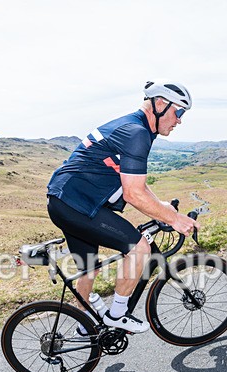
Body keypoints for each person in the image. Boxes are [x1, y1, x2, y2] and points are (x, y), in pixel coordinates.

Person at [46, 81, 198, 334]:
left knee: (88, 270)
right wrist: (174, 220)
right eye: (179, 112)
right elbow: (133, 193)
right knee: (139, 248)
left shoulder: (135, 127)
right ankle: (117, 314)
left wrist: (163, 208)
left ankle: (84, 329)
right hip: (77, 204)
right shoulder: (136, 133)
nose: (179, 120)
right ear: (160, 104)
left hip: (64, 201)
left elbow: (135, 182)